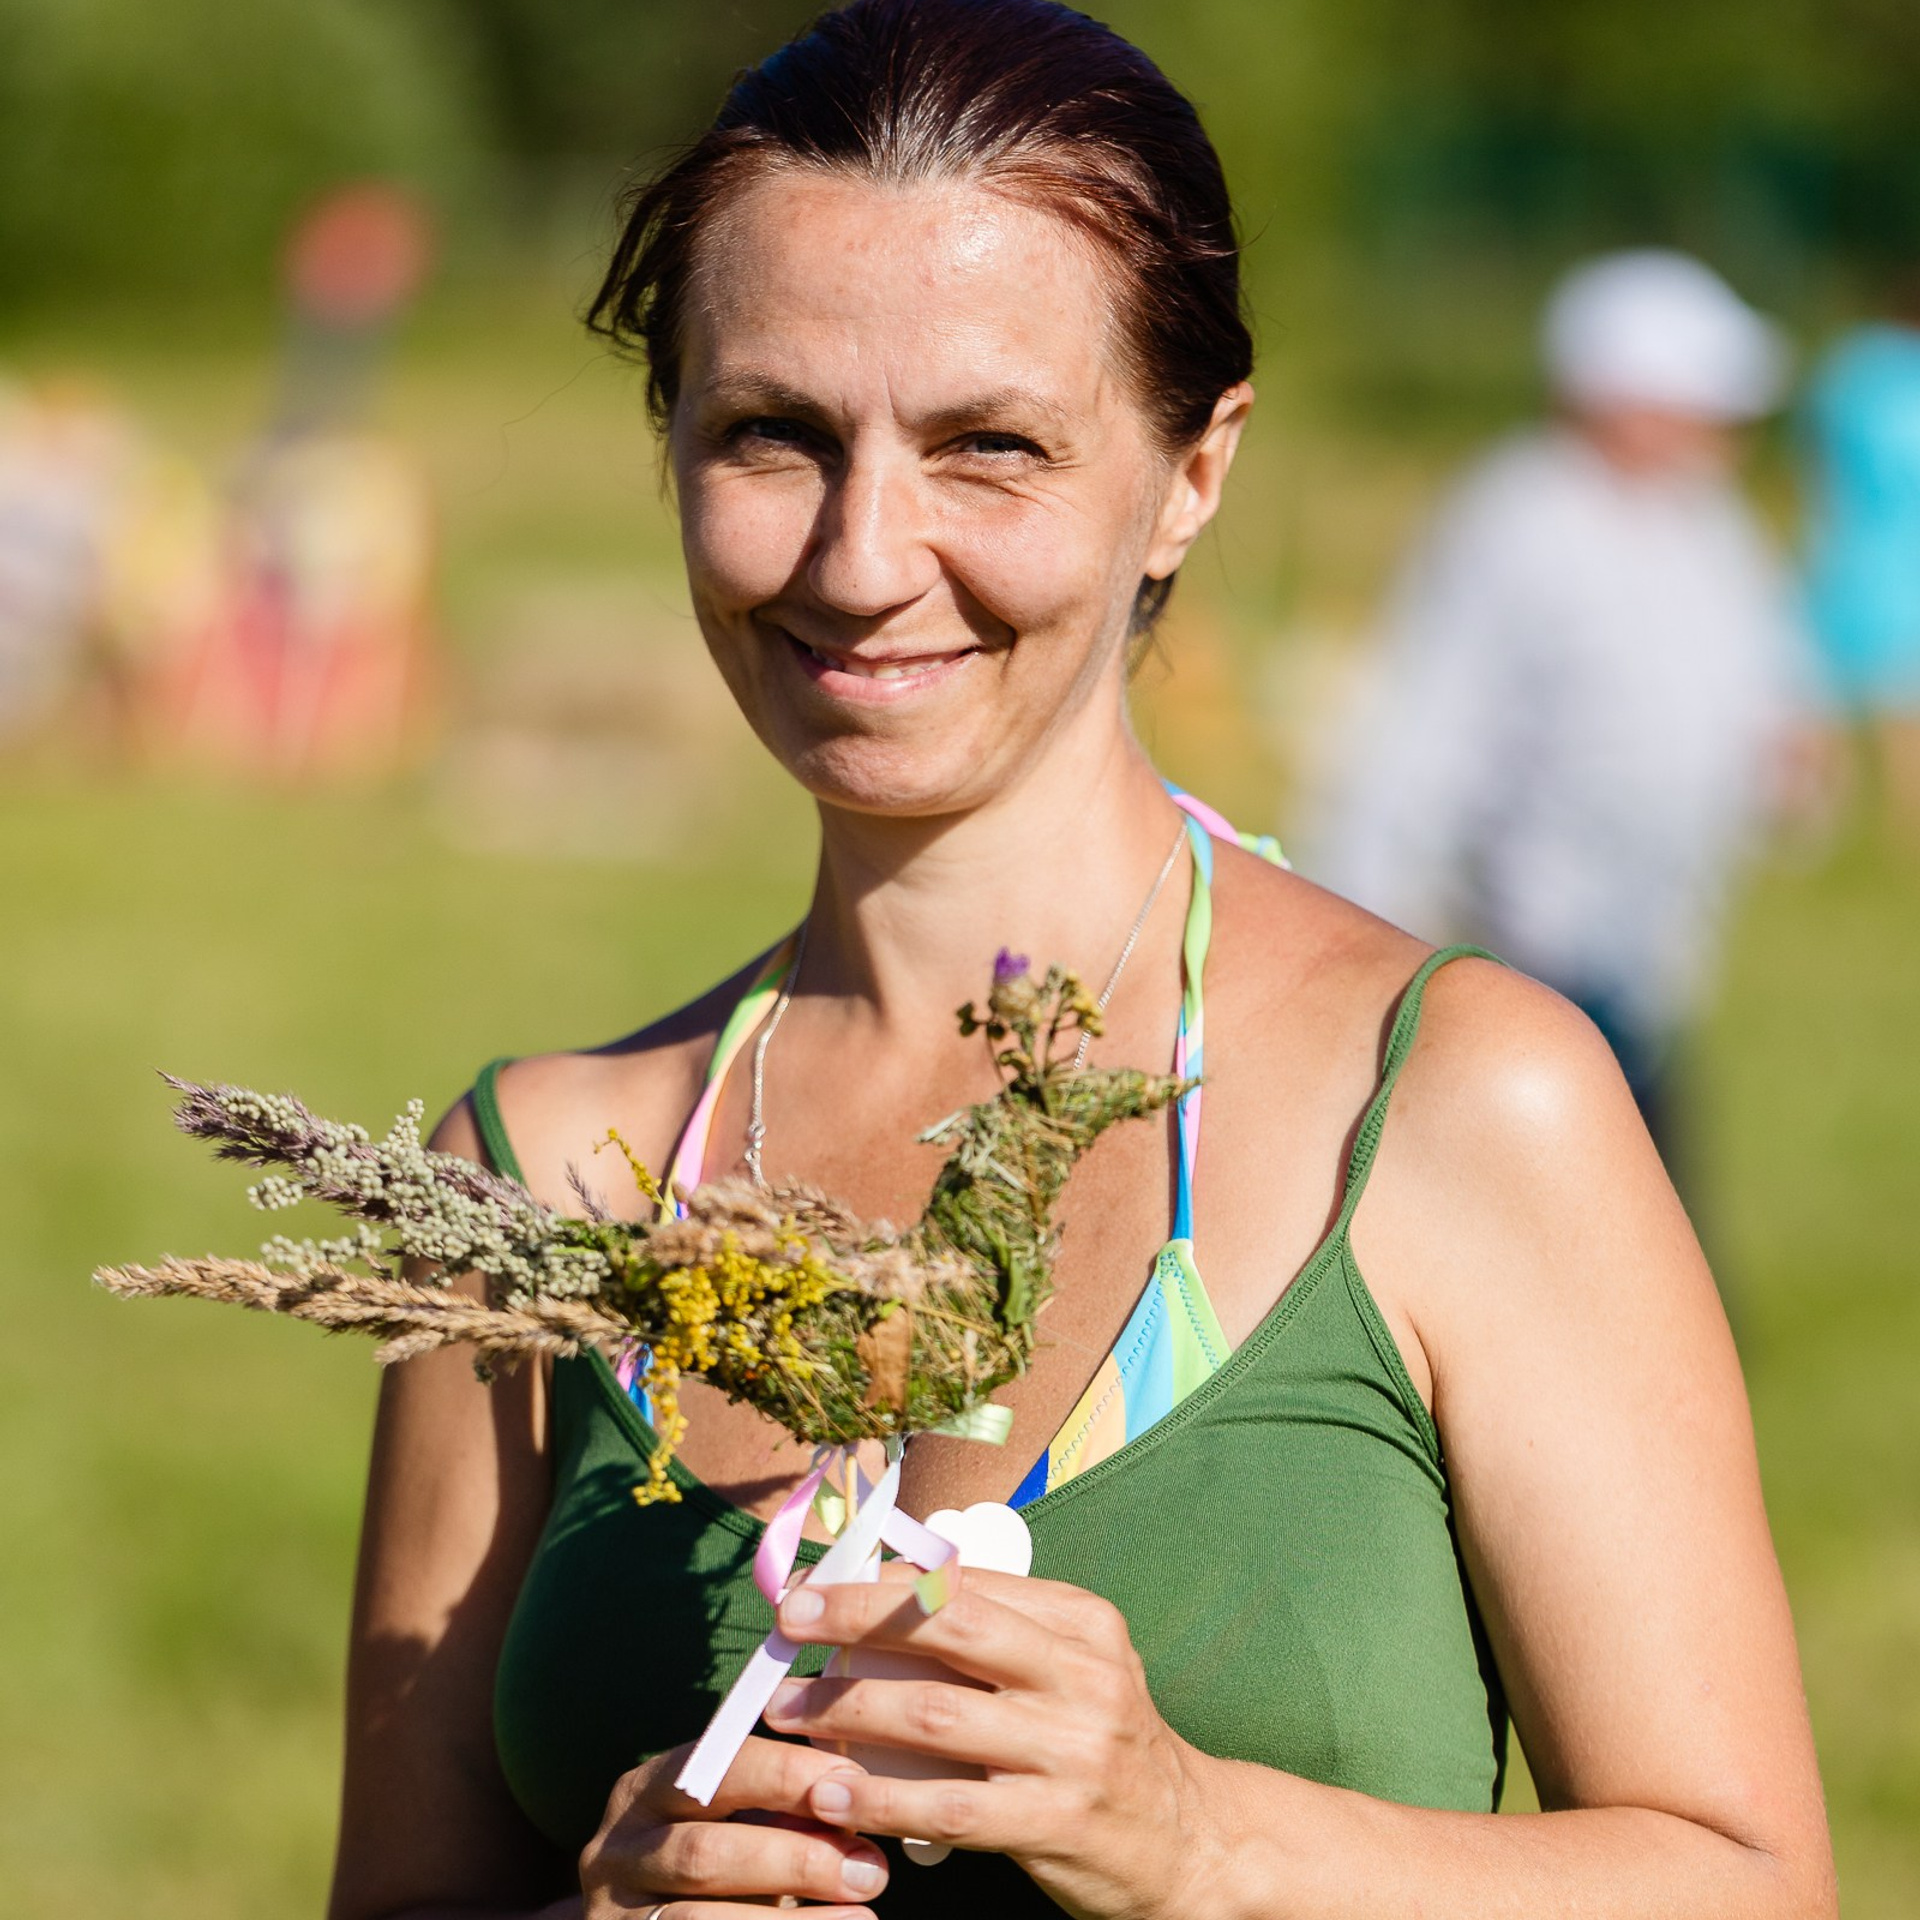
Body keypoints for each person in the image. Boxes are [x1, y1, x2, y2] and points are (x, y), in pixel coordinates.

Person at [327, 9, 1834, 1918]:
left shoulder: (1455, 1098)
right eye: (774, 434)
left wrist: (1202, 1841)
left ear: (1194, 472)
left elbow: (1750, 1881)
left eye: (991, 447)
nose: (864, 560)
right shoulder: (526, 1182)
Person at [1311, 250, 1824, 1162]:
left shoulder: (1707, 522)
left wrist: (1783, 742)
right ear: (1624, 396)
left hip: (1653, 933)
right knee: (1608, 1185)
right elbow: (1431, 719)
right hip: (1543, 937)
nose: (1728, 430)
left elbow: (1752, 662)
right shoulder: (1519, 519)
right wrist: (1359, 904)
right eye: (1705, 404)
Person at [1801, 276, 1920, 841]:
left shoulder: (1851, 367)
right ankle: (1902, 834)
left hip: (1842, 545)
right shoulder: (1903, 381)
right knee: (1905, 710)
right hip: (1902, 558)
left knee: (1827, 697)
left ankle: (1821, 831)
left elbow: (1815, 454)